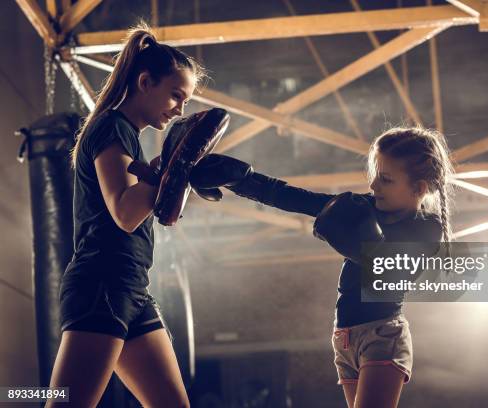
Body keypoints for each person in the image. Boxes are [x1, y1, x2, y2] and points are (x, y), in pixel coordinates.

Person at [188, 126, 454, 408]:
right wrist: (244, 181)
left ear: (419, 188)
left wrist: (362, 243)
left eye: (386, 179)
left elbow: (391, 271)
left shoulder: (427, 229)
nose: (374, 185)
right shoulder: (364, 206)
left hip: (382, 336)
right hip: (344, 338)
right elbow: (298, 198)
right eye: (374, 175)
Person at [47, 23, 204, 408]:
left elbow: (142, 202)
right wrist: (173, 165)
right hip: (103, 283)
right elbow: (124, 212)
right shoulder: (112, 126)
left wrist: (173, 173)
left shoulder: (127, 135)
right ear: (145, 82)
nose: (180, 109)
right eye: (175, 95)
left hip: (131, 287)